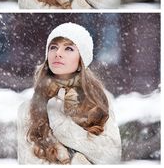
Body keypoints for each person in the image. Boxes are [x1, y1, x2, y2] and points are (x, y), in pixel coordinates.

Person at [17, 22, 122, 164]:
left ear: (81, 60)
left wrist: (62, 126)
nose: (58, 54)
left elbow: (111, 156)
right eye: (53, 47)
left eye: (68, 49)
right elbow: (27, 161)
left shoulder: (100, 100)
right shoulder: (27, 108)